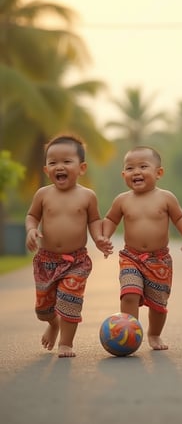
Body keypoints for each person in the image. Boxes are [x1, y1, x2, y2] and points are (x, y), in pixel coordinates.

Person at [25, 134, 113, 358]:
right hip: (46, 261)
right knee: (43, 310)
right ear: (46, 170)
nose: (59, 167)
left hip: (76, 262)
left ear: (81, 167)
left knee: (70, 301)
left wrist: (99, 239)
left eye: (66, 161)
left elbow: (94, 221)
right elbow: (32, 216)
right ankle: (52, 324)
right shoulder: (43, 195)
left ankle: (66, 343)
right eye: (53, 162)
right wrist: (31, 230)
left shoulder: (87, 196)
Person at [102, 146, 182, 350]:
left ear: (158, 172)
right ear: (123, 175)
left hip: (159, 260)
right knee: (129, 293)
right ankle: (128, 335)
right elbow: (110, 219)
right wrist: (104, 237)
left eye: (143, 166)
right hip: (131, 257)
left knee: (158, 305)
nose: (136, 172)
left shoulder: (166, 197)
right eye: (130, 168)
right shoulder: (122, 200)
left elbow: (180, 218)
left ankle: (154, 334)